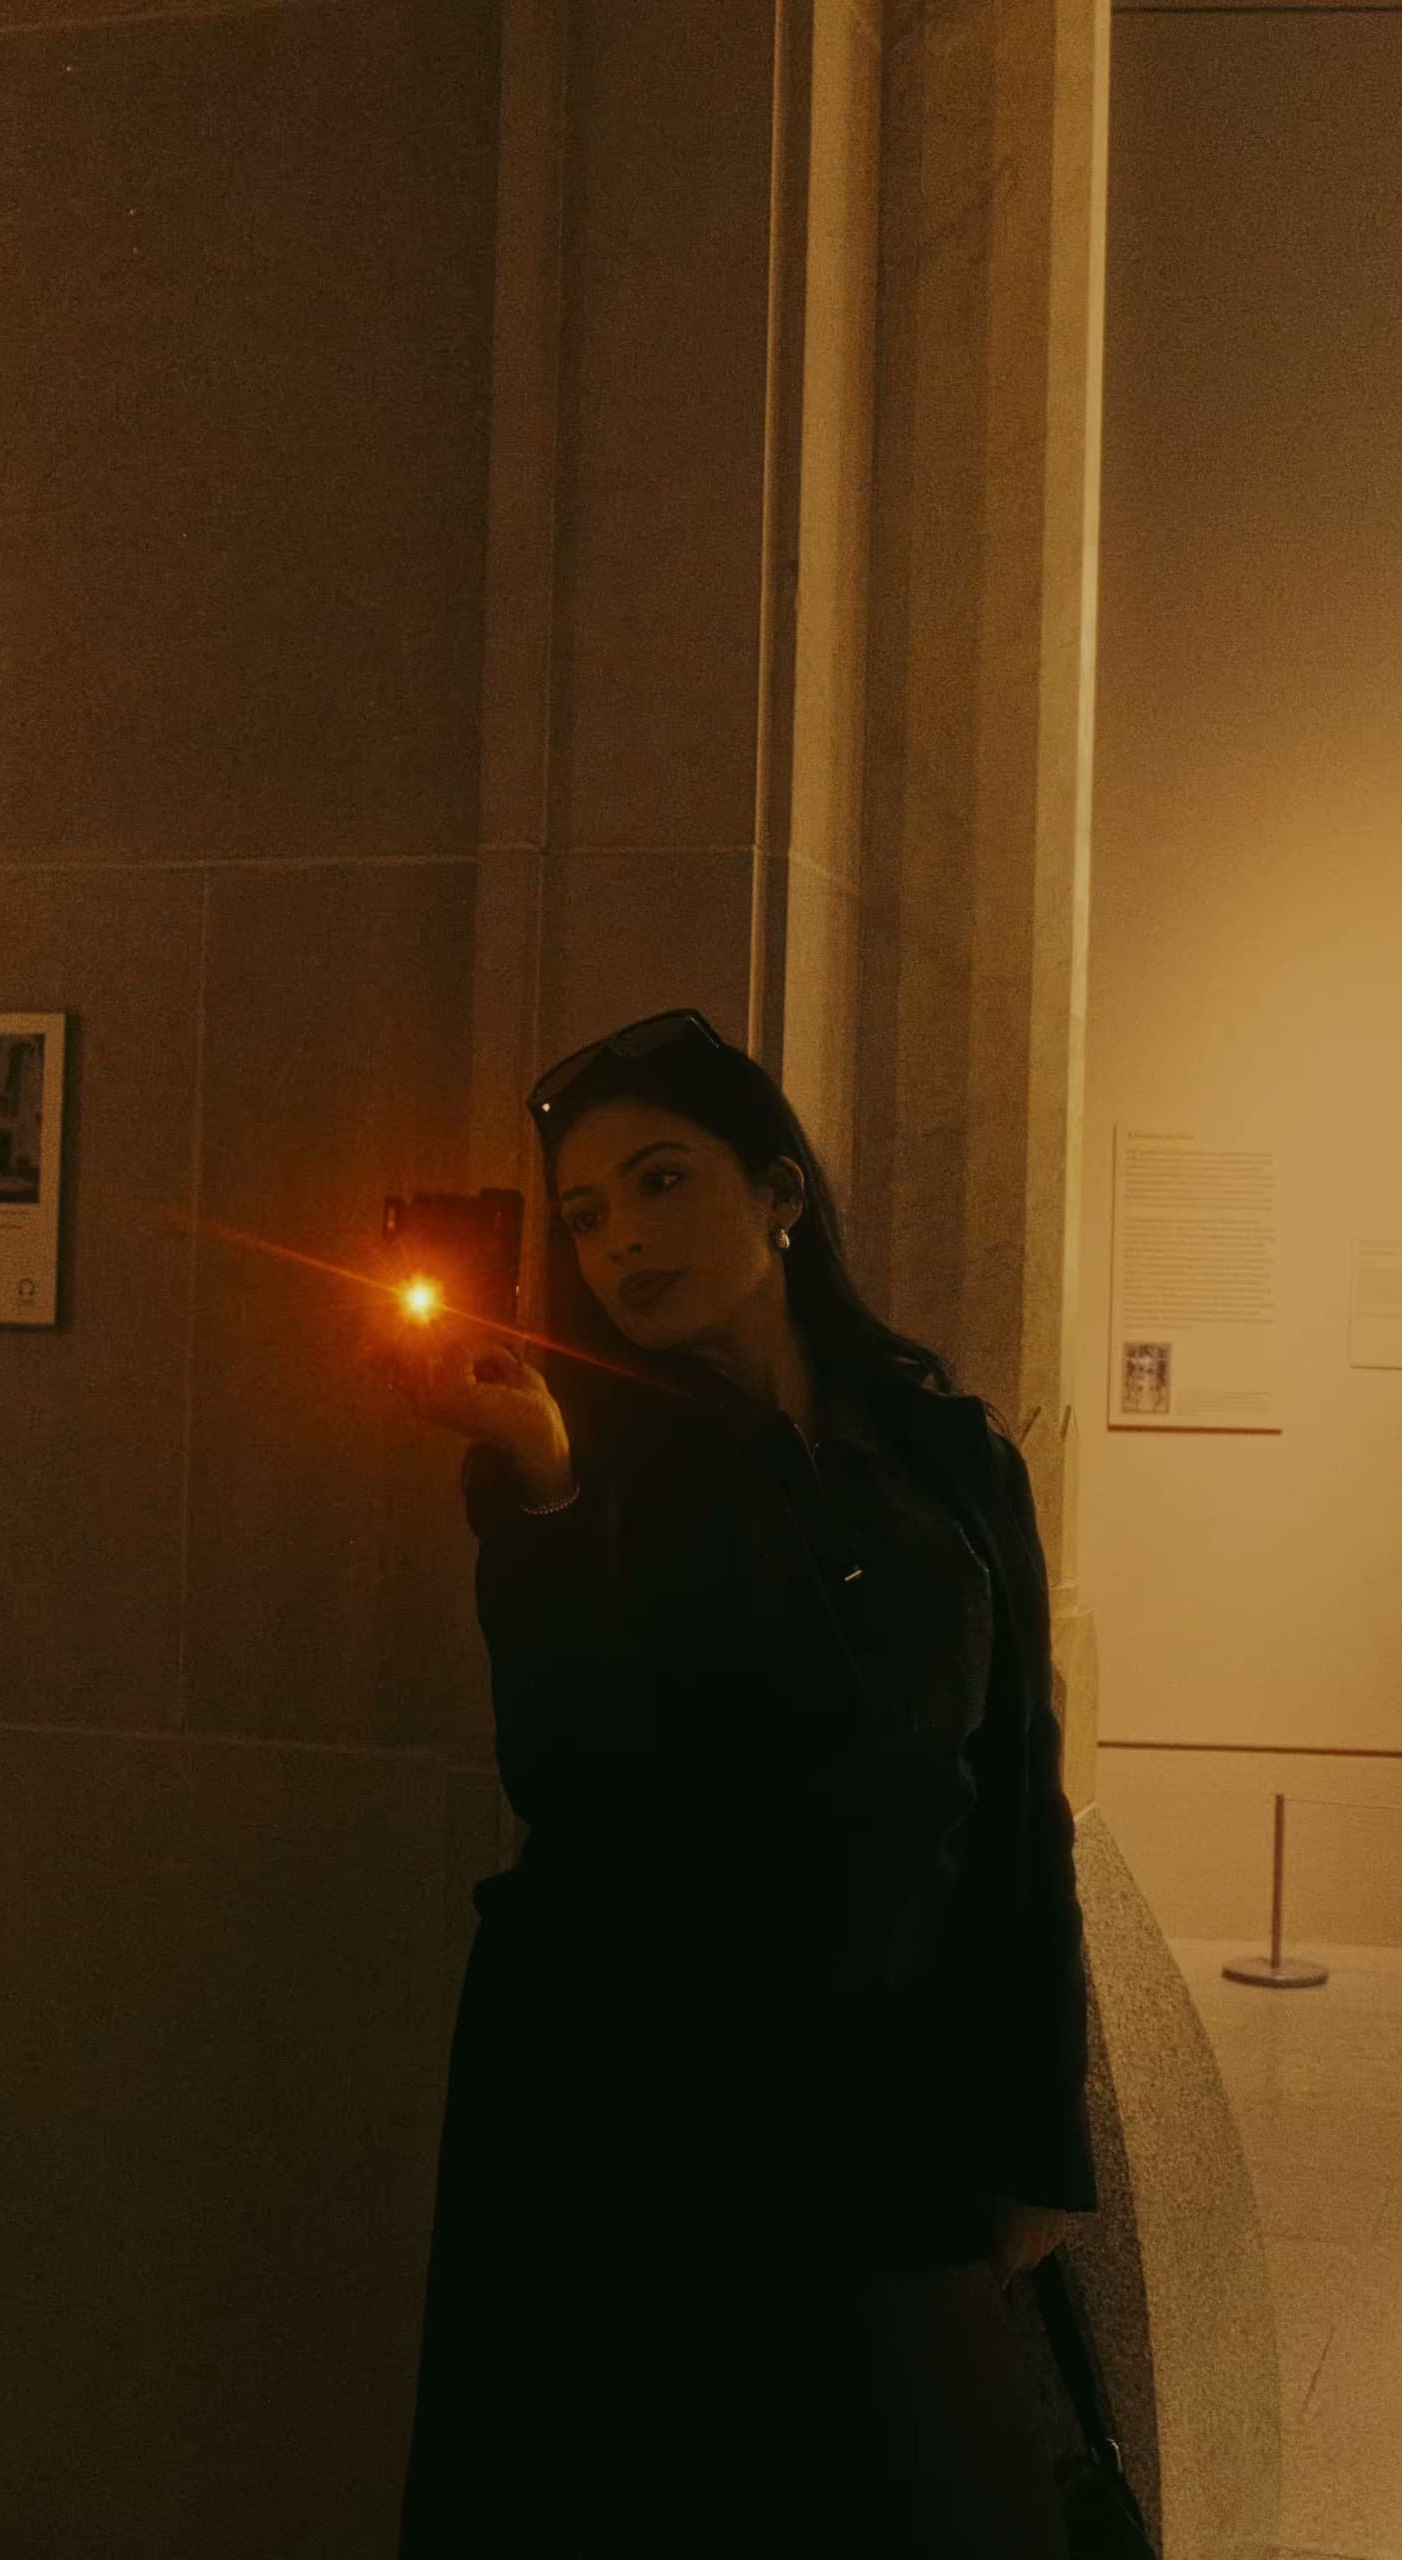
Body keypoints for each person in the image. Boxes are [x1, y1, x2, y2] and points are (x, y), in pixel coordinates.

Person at [387, 1008, 1095, 2559]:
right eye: (584, 1214)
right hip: (646, 2109)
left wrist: (1038, 2140)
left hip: (891, 2094)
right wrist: (552, 1490)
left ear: (779, 1193)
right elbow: (566, 1775)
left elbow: (1018, 1804)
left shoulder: (949, 1454)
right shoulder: (577, 1462)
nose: (622, 1241)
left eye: (660, 1183)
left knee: (961, 2506)